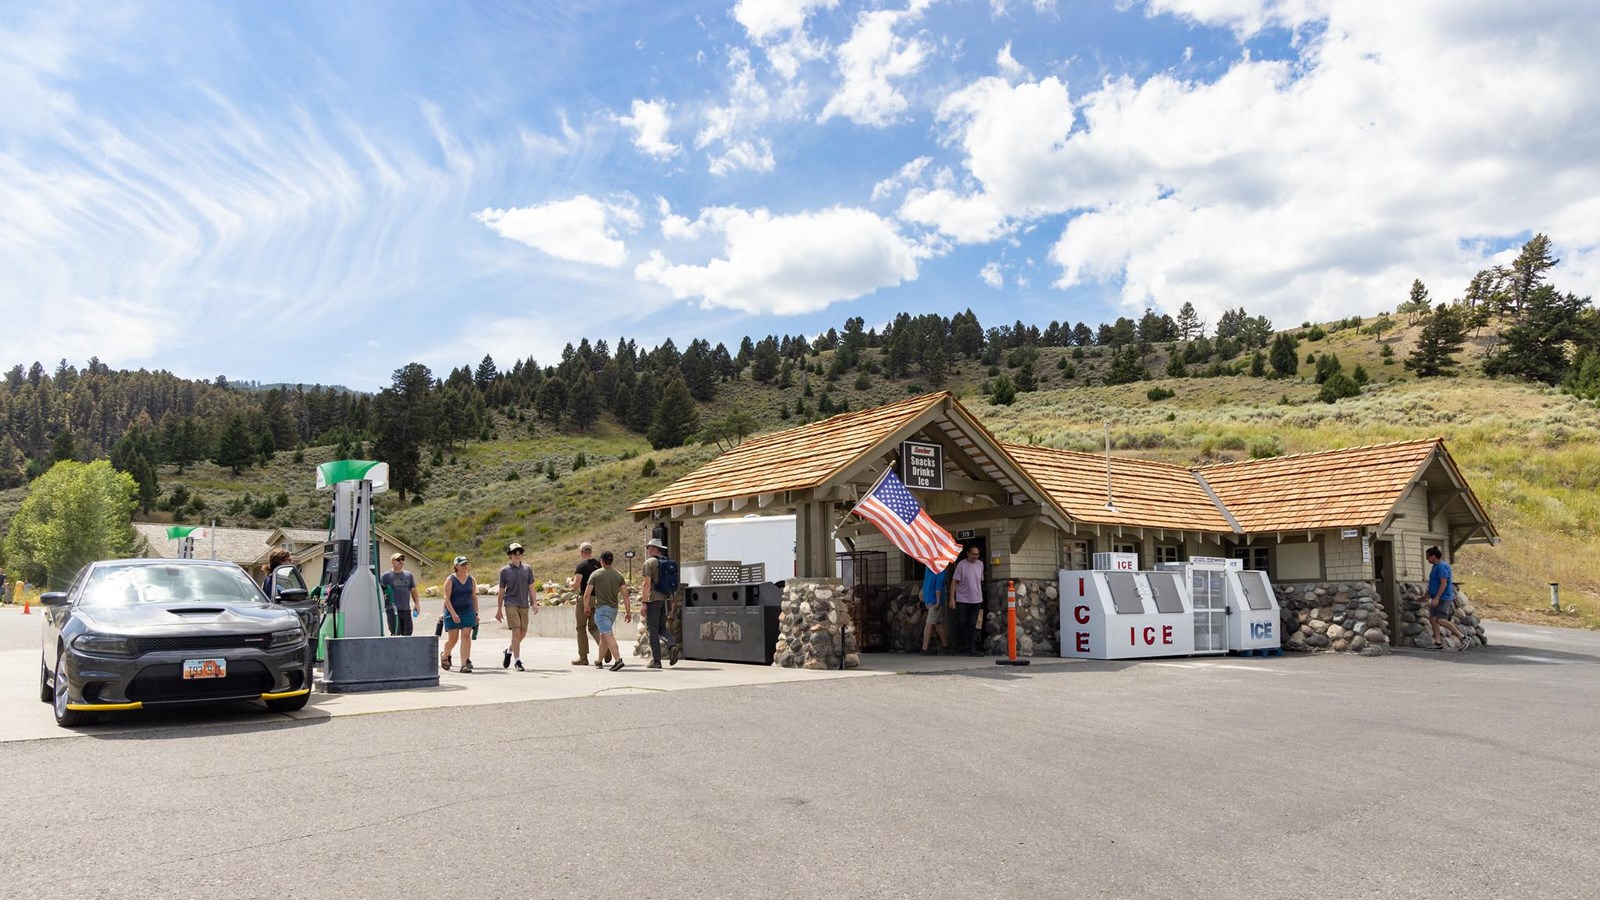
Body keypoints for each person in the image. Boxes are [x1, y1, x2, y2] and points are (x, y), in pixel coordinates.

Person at [583, 550, 633, 672]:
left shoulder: (596, 574)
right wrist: (628, 612)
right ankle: (599, 661)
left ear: (601, 561)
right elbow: (625, 595)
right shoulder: (618, 575)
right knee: (604, 636)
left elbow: (587, 594)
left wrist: (586, 607)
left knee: (608, 635)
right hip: (613, 610)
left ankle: (618, 660)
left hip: (601, 610)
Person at [496, 542, 537, 671]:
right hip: (510, 603)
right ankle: (517, 661)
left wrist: (534, 603)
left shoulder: (527, 569)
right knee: (516, 630)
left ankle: (508, 651)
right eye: (515, 552)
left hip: (524, 604)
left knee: (523, 632)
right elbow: (502, 590)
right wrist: (499, 609)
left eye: (520, 552)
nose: (518, 555)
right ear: (510, 555)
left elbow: (531, 587)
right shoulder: (504, 571)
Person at [641, 537, 679, 669]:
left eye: (648, 547)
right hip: (666, 600)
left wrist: (644, 602)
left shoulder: (649, 563)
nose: (647, 550)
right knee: (662, 627)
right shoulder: (668, 562)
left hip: (654, 600)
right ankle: (672, 645)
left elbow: (647, 584)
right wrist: (672, 603)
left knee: (652, 629)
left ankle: (656, 660)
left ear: (653, 548)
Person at [1425, 546, 1470, 651]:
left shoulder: (1442, 566)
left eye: (1427, 556)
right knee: (1433, 619)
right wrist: (1426, 595)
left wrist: (1437, 598)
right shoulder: (1435, 566)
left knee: (1440, 619)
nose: (1426, 559)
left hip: (1443, 597)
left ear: (1433, 556)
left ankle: (1463, 637)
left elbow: (1443, 583)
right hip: (1435, 596)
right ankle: (1437, 643)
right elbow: (1433, 583)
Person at [570, 542, 605, 666]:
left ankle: (583, 657)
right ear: (590, 551)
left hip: (585, 598)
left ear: (581, 552)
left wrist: (569, 582)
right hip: (598, 599)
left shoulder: (581, 566)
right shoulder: (599, 565)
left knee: (581, 628)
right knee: (594, 627)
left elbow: (575, 586)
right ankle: (605, 649)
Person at [442, 556, 478, 672]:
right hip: (453, 611)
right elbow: (446, 599)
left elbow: (474, 597)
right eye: (462, 564)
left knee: (466, 636)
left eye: (466, 564)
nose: (465, 566)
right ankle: (445, 654)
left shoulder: (471, 579)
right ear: (456, 566)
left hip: (467, 611)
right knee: (453, 639)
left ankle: (464, 663)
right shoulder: (451, 579)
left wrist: (476, 613)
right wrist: (453, 614)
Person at [950, 543, 986, 656]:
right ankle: (957, 647)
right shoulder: (961, 565)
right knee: (961, 622)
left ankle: (971, 648)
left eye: (977, 554)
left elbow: (980, 581)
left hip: (976, 599)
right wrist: (952, 599)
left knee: (972, 624)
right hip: (962, 599)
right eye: (973, 554)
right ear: (968, 553)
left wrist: (980, 594)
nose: (975, 556)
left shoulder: (980, 564)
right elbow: (954, 582)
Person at [381, 552, 420, 637]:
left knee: (408, 633)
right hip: (393, 610)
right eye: (398, 560)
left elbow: (413, 590)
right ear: (392, 561)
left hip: (406, 610)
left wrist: (416, 604)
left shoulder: (408, 575)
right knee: (395, 634)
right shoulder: (386, 576)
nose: (401, 561)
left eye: (402, 560)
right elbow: (381, 591)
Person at [920, 564, 949, 655]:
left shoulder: (936, 568)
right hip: (931, 599)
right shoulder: (931, 567)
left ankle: (925, 648)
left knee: (929, 623)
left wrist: (938, 600)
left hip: (934, 600)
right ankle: (945, 646)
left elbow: (938, 585)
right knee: (938, 623)